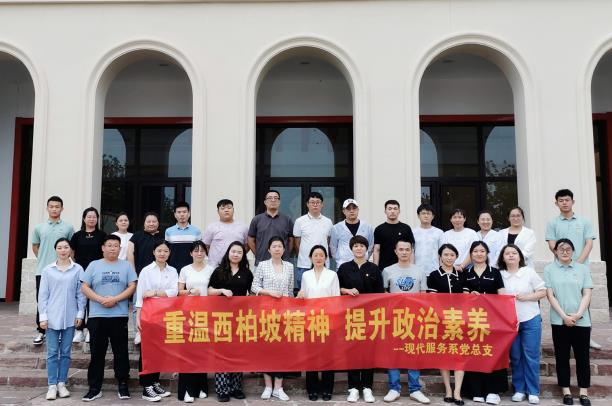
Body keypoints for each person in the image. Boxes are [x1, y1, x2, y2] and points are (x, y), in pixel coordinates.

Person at [80, 234, 137, 402]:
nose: (113, 248)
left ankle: (123, 385)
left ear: (120, 248)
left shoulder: (126, 266)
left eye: (116, 245)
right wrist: (100, 300)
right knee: (97, 353)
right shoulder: (94, 265)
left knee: (121, 352)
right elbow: (84, 287)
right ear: (103, 248)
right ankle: (94, 387)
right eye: (109, 245)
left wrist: (115, 299)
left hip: (119, 315)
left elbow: (132, 286)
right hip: (97, 316)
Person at [545, 189, 598, 349]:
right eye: (561, 200)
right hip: (559, 268)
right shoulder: (552, 223)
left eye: (567, 200)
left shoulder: (584, 221)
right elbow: (552, 244)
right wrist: (563, 259)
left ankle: (587, 336)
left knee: (584, 301)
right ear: (556, 203)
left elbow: (589, 243)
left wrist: (578, 263)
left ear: (572, 201)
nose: (564, 203)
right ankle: (564, 332)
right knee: (561, 299)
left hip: (581, 268)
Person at [381, 239, 430, 404]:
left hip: (414, 318)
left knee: (413, 352)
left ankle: (415, 389)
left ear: (411, 251)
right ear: (395, 251)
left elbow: (424, 296)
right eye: (401, 249)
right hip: (394, 318)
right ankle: (394, 388)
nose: (404, 252)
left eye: (407, 249)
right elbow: (382, 295)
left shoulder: (419, 271)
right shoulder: (387, 271)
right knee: (393, 352)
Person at [545, 239, 593, 406]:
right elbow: (550, 295)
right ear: (556, 251)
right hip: (559, 321)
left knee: (583, 357)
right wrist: (564, 316)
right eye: (561, 249)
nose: (564, 252)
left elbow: (587, 293)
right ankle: (566, 391)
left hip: (582, 320)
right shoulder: (549, 269)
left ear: (573, 251)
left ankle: (584, 392)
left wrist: (578, 314)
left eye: (568, 249)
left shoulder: (582, 269)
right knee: (562, 356)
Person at [338, 235, 384, 403]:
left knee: (368, 352)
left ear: (367, 249)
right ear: (351, 248)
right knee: (352, 351)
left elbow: (380, 293)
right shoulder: (344, 268)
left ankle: (367, 387)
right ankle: (353, 388)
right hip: (350, 316)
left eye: (362, 246)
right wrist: (347, 290)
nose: (359, 248)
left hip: (370, 317)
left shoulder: (374, 269)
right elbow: (336, 288)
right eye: (356, 246)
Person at [38, 238, 86, 400]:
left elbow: (81, 294)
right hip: (51, 317)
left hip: (70, 317)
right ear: (55, 250)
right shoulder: (48, 270)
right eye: (59, 247)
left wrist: (80, 314)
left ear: (70, 249)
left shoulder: (78, 269)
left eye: (66, 247)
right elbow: (43, 295)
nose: (63, 250)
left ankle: (61, 383)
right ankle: (52, 385)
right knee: (52, 352)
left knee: (65, 353)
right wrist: (43, 317)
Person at [498, 243, 546, 405]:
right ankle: (519, 389)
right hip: (510, 322)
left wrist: (527, 297)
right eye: (507, 253)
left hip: (530, 319)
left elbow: (543, 291)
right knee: (516, 356)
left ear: (520, 257)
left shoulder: (528, 272)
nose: (511, 255)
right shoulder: (500, 274)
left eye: (514, 253)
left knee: (531, 356)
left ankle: (533, 391)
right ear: (502, 258)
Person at [461, 241, 507, 405]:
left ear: (487, 254)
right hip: (472, 320)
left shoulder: (495, 272)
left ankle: (493, 391)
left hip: (492, 320)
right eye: (475, 251)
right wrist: (470, 296)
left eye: (482, 251)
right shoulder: (466, 273)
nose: (479, 254)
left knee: (491, 353)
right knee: (474, 353)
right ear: (471, 254)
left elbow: (502, 296)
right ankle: (476, 390)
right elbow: (463, 295)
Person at [208, 241, 253, 402]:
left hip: (240, 318)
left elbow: (251, 293)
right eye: (233, 251)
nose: (236, 254)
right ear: (228, 253)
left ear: (243, 255)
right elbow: (209, 291)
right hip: (221, 318)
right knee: (222, 353)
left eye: (239, 252)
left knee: (238, 352)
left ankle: (236, 388)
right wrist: (221, 290)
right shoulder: (219, 271)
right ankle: (222, 389)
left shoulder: (247, 273)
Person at [251, 236, 294, 401]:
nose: (277, 249)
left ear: (284, 249)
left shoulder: (289, 266)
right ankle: (268, 386)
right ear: (269, 249)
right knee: (267, 349)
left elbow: (290, 290)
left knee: (282, 350)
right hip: (266, 311)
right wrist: (269, 292)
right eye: (274, 246)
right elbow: (254, 286)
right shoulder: (262, 265)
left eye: (280, 246)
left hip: (284, 312)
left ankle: (278, 387)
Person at [135, 240, 178, 402]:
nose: (162, 253)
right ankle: (146, 386)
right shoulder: (146, 271)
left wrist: (154, 293)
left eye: (165, 251)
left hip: (165, 315)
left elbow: (174, 292)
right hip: (148, 314)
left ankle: (154, 382)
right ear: (153, 252)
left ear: (169, 253)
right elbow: (141, 295)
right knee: (147, 350)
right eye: (159, 250)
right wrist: (138, 317)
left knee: (159, 350)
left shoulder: (173, 271)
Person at [297, 245, 340, 402]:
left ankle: (327, 389)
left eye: (321, 255)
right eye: (315, 255)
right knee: (312, 356)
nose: (318, 258)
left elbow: (336, 298)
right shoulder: (306, 275)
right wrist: (300, 295)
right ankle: (312, 389)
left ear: (326, 258)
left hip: (327, 319)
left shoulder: (332, 275)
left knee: (328, 356)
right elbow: (303, 296)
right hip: (310, 320)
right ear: (310, 258)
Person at [427, 244, 468, 405]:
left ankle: (457, 392)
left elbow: (466, 297)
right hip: (441, 321)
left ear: (456, 257)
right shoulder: (433, 275)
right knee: (444, 355)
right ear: (440, 257)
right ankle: (448, 390)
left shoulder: (461, 274)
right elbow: (432, 299)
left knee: (459, 355)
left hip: (459, 320)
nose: (449, 257)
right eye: (446, 254)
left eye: (452, 255)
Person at [31, 196, 75, 346]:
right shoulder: (39, 227)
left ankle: (60, 330)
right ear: (47, 208)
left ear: (62, 208)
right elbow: (35, 246)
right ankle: (41, 331)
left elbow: (71, 248)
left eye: (57, 206)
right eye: (51, 206)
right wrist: (45, 261)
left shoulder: (68, 227)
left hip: (63, 270)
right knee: (42, 300)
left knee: (62, 300)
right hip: (43, 270)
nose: (54, 209)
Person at [177, 241, 214, 403]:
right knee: (187, 352)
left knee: (201, 351)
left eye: (202, 251)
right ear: (190, 253)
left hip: (205, 314)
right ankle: (186, 390)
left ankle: (200, 387)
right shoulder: (185, 270)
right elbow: (179, 292)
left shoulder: (211, 269)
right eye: (196, 251)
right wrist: (190, 291)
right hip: (188, 314)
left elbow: (213, 290)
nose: (199, 253)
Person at [70, 207, 106, 343]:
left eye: (94, 217)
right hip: (80, 271)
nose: (92, 219)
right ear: (84, 218)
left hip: (97, 272)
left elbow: (105, 252)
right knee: (80, 300)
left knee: (94, 301)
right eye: (89, 216)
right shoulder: (77, 235)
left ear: (97, 219)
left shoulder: (102, 235)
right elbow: (72, 252)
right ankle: (79, 330)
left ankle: (91, 330)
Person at [128, 212, 164, 345]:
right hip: (140, 276)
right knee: (138, 304)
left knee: (158, 304)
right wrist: (133, 273)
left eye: (154, 221)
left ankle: (156, 329)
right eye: (149, 221)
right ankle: (138, 332)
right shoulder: (137, 236)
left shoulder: (162, 236)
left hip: (159, 275)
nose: (151, 224)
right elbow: (130, 253)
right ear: (144, 223)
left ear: (158, 223)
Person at [293, 192, 333, 290]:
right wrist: (303, 256)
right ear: (307, 204)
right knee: (304, 292)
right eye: (312, 202)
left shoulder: (328, 222)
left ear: (322, 204)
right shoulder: (299, 221)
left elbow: (328, 241)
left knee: (323, 291)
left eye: (318, 202)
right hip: (304, 264)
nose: (315, 205)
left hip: (323, 264)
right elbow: (297, 243)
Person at [247, 190, 294, 266]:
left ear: (279, 202)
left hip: (283, 263)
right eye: (270, 198)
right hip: (261, 262)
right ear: (265, 202)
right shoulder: (257, 219)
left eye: (276, 198)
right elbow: (250, 239)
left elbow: (291, 240)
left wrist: (285, 253)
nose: (273, 200)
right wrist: (258, 254)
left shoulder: (287, 219)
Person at [203, 199, 249, 268]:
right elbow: (206, 246)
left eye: (229, 208)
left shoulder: (243, 227)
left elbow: (247, 245)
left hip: (237, 266)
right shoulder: (211, 227)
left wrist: (238, 255)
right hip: (216, 266)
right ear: (218, 211)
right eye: (223, 208)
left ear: (233, 210)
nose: (226, 210)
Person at [330, 198, 374, 270]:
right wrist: (339, 258)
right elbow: (333, 247)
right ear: (344, 211)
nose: (351, 211)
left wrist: (365, 257)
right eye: (348, 209)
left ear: (358, 210)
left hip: (362, 265)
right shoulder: (336, 228)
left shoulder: (367, 227)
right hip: (343, 265)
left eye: (354, 208)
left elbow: (370, 246)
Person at [373, 200, 415, 271]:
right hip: (384, 268)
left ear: (399, 211)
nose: (392, 211)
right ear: (385, 211)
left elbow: (411, 250)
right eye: (389, 209)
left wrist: (412, 268)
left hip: (403, 268)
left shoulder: (406, 228)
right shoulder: (379, 229)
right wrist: (375, 269)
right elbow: (376, 250)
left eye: (395, 209)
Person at [165, 201, 202, 272]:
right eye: (179, 212)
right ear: (175, 215)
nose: (182, 214)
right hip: (173, 268)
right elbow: (167, 251)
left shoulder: (196, 231)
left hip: (192, 268)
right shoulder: (168, 231)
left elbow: (199, 251)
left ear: (189, 214)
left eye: (184, 212)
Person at [412, 204, 443, 276]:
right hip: (417, 271)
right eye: (423, 213)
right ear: (418, 216)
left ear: (433, 216)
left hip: (435, 270)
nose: (426, 216)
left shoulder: (439, 233)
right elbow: (411, 252)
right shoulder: (413, 232)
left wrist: (442, 269)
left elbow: (442, 253)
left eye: (428, 213)